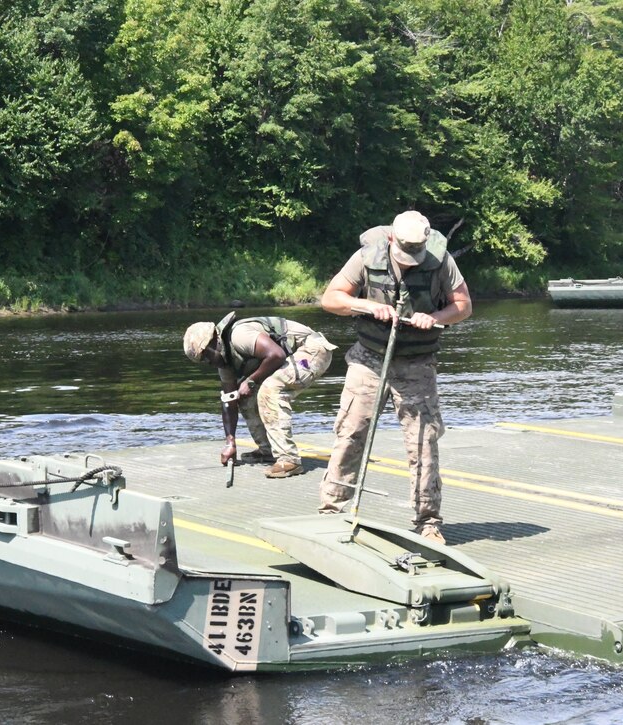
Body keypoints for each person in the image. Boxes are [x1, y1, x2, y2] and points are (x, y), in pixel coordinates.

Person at [318, 210, 472, 544]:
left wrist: (434, 317)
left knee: (423, 442)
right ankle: (333, 510)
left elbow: (463, 306)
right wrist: (367, 307)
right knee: (351, 433)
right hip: (368, 360)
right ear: (391, 239)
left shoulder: (441, 262)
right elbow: (331, 298)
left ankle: (428, 520)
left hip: (417, 364)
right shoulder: (366, 255)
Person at [183, 314, 337, 478]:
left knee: (270, 390)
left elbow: (276, 354)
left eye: (206, 355)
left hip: (311, 350)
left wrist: (250, 381)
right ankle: (268, 449)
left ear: (213, 341)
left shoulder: (239, 335)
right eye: (203, 361)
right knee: (244, 397)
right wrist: (230, 442)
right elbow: (229, 400)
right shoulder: (224, 362)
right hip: (288, 357)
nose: (209, 363)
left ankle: (289, 459)